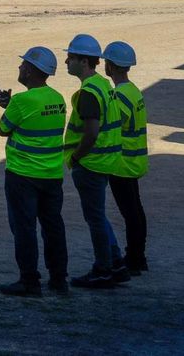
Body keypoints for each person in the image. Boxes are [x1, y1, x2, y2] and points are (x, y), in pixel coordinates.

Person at [0, 46, 69, 297]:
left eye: (23, 65)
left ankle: (29, 280)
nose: (19, 68)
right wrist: (12, 104)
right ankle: (59, 278)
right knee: (53, 227)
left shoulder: (22, 101)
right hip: (51, 174)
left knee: (24, 228)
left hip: (22, 175)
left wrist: (9, 105)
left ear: (30, 71)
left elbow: (4, 128)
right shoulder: (58, 99)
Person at [63, 33, 126, 288]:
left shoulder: (88, 92)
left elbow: (91, 133)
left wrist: (76, 157)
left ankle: (103, 269)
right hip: (106, 160)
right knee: (99, 215)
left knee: (95, 218)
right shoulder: (102, 84)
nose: (66, 62)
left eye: (70, 57)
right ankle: (116, 263)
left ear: (84, 62)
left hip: (91, 163)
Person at [104, 40, 148, 276]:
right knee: (136, 211)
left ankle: (134, 258)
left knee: (130, 213)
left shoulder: (119, 96)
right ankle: (138, 257)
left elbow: (111, 126)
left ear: (111, 66)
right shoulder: (133, 90)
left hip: (122, 162)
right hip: (135, 159)